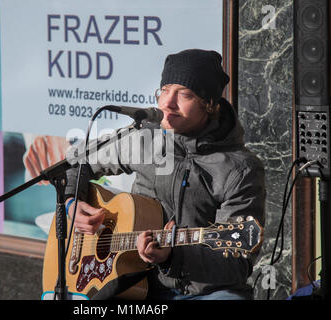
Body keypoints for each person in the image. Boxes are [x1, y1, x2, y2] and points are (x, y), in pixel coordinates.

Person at [26, 49, 266, 300]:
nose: (167, 103)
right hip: (134, 283)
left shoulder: (240, 169)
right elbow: (75, 163)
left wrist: (173, 257)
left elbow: (237, 263)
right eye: (165, 90)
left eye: (184, 94)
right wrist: (73, 203)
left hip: (205, 291)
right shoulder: (145, 138)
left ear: (209, 105)